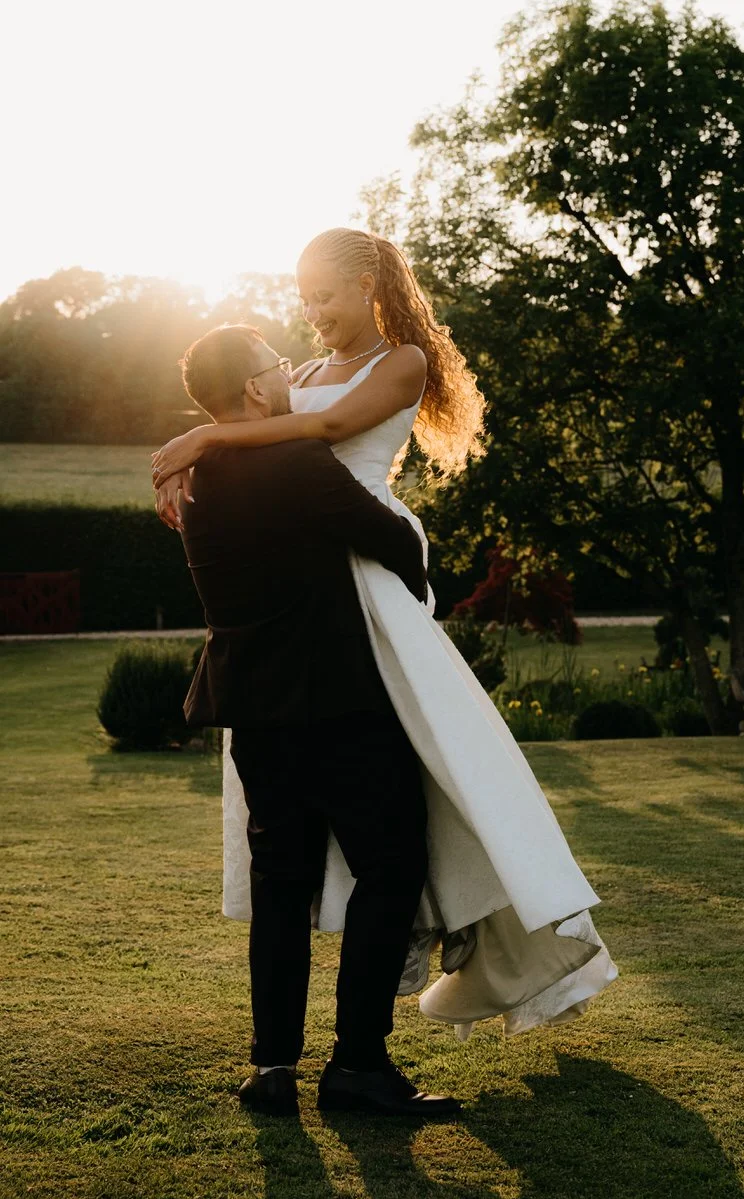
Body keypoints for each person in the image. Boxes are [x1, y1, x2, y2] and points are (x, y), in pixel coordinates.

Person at [153, 227, 617, 1045]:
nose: (313, 312)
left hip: (369, 563)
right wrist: (210, 445)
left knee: (437, 764)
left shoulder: (402, 362)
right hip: (310, 590)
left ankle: (445, 922)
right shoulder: (296, 375)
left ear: (367, 287)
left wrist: (207, 437)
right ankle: (359, 1006)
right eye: (304, 298)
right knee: (337, 813)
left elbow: (325, 433)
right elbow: (267, 430)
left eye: (325, 295)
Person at [176, 322, 461, 1118]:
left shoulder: (196, 479)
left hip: (253, 711)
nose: (288, 375)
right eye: (276, 366)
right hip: (338, 705)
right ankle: (358, 1065)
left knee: (280, 882)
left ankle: (272, 1068)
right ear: (256, 388)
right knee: (392, 867)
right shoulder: (298, 462)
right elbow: (394, 540)